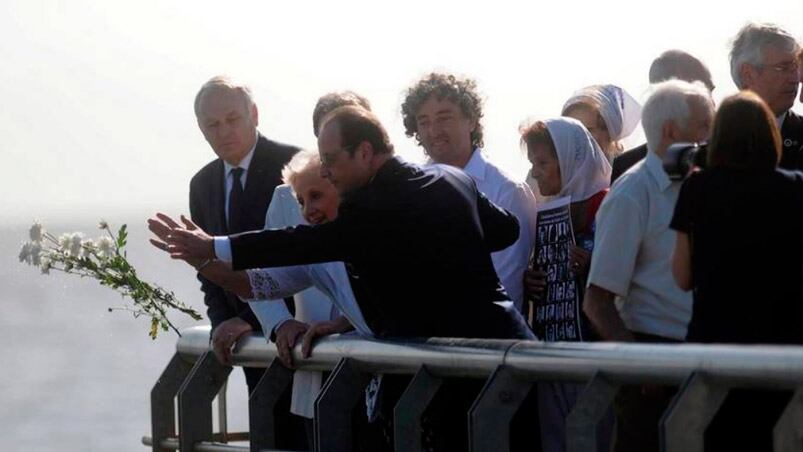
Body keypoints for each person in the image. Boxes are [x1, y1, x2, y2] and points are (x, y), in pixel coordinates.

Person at [156, 105, 535, 450]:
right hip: (505, 353)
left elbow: (292, 244)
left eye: (332, 163)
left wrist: (214, 245)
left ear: (366, 152)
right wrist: (204, 260)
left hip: (468, 375)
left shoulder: (368, 212)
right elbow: (505, 231)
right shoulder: (450, 178)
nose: (328, 171)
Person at [151, 150, 373, 447]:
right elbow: (258, 284)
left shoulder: (380, 226)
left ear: (342, 186)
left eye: (316, 196)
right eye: (301, 202)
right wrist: (200, 261)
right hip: (350, 391)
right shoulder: (316, 253)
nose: (308, 211)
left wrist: (212, 246)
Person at [582, 79, 714, 452]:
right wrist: (640, 364)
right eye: (704, 125)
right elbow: (597, 301)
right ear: (672, 130)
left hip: (701, 361)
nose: (711, 135)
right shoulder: (631, 194)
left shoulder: (700, 185)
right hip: (653, 370)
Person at [670, 91, 803, 451]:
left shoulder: (698, 187)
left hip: (713, 352)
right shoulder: (796, 188)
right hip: (782, 355)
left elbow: (682, 277)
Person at [187, 75, 305, 448]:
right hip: (244, 345)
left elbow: (306, 262)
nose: (224, 131)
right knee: (268, 434)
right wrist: (222, 321)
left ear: (254, 114)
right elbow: (206, 265)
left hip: (298, 334)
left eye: (233, 119)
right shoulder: (202, 184)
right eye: (213, 125)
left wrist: (249, 319)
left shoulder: (295, 166)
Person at [400, 72, 537, 312]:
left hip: (490, 342)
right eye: (424, 122)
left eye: (444, 118)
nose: (434, 131)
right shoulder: (408, 192)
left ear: (471, 120)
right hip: (425, 343)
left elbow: (507, 287)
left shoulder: (507, 190)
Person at [521, 117, 612, 452]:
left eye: (544, 163)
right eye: (533, 163)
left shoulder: (607, 205)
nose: (536, 173)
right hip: (554, 353)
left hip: (596, 355)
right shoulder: (541, 211)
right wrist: (531, 281)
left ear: (570, 161)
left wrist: (594, 268)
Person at [611, 50, 715, 182]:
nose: (711, 102)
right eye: (700, 92)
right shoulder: (625, 173)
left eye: (709, 91)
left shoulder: (727, 158)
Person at [729, 22, 803, 170]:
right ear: (748, 74)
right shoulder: (711, 140)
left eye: (796, 67)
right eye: (783, 68)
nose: (795, 78)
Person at [561, 84, 642, 162]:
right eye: (570, 130)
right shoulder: (558, 173)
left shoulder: (627, 172)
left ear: (608, 132)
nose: (574, 137)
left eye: (586, 131)